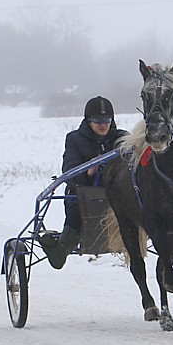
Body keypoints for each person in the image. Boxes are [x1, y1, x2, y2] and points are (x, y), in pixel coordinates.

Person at [40, 96, 128, 269]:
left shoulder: (122, 138)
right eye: (97, 121)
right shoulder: (74, 139)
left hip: (117, 197)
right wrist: (88, 171)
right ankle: (60, 250)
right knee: (77, 208)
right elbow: (69, 171)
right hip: (83, 197)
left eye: (107, 120)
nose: (103, 125)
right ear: (88, 121)